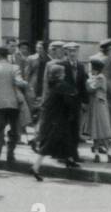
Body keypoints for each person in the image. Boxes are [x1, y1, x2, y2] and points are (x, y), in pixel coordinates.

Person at [31, 43, 80, 179]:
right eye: (63, 72)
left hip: (55, 118)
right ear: (59, 74)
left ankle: (69, 159)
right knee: (48, 144)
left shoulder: (54, 85)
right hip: (56, 120)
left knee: (66, 139)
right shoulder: (62, 85)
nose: (65, 74)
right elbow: (69, 100)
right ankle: (35, 167)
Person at [0, 46, 26, 168]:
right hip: (13, 104)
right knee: (14, 131)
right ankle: (10, 155)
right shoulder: (14, 68)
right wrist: (25, 85)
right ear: (7, 56)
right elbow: (19, 82)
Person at [86, 57, 111, 163]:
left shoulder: (100, 78)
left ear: (95, 69)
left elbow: (91, 88)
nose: (90, 70)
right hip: (95, 105)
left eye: (91, 68)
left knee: (102, 130)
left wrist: (88, 80)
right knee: (96, 131)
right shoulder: (97, 77)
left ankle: (109, 153)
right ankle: (97, 154)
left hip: (99, 106)